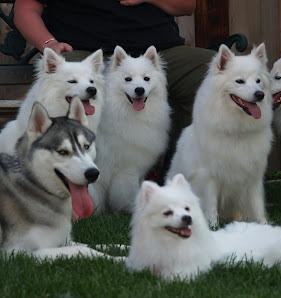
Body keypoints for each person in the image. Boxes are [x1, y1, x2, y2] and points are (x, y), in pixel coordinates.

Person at [14, 0, 216, 185]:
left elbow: (187, 5)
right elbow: (25, 9)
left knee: (216, 75)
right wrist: (50, 43)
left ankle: (178, 172)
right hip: (85, 54)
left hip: (159, 52)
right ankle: (66, 179)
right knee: (62, 85)